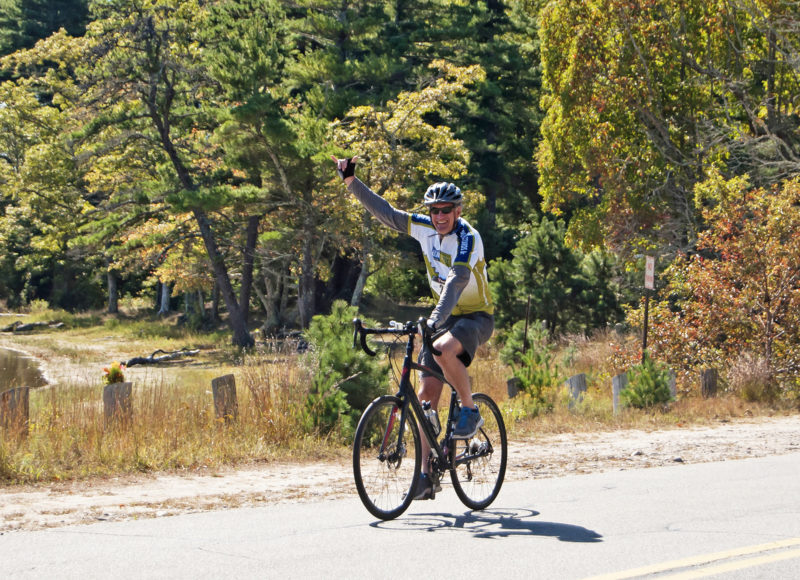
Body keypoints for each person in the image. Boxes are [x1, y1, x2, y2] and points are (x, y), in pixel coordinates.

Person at [332, 154, 494, 500]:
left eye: (446, 211)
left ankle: (469, 408)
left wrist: (434, 321)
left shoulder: (468, 238)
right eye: (434, 210)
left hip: (475, 315)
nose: (439, 217)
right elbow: (387, 213)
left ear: (458, 211)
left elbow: (457, 280)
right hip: (444, 315)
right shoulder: (424, 228)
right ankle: (425, 476)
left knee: (443, 348)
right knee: (424, 402)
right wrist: (351, 182)